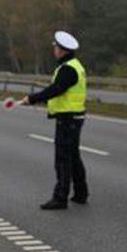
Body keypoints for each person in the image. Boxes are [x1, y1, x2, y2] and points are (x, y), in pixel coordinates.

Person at [21, 31, 88, 210]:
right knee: (73, 157)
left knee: (63, 159)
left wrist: (33, 98)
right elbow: (58, 90)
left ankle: (60, 198)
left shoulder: (67, 69)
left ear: (62, 50)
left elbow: (56, 89)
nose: (54, 50)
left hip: (68, 119)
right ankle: (81, 193)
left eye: (56, 47)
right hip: (74, 117)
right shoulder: (74, 65)